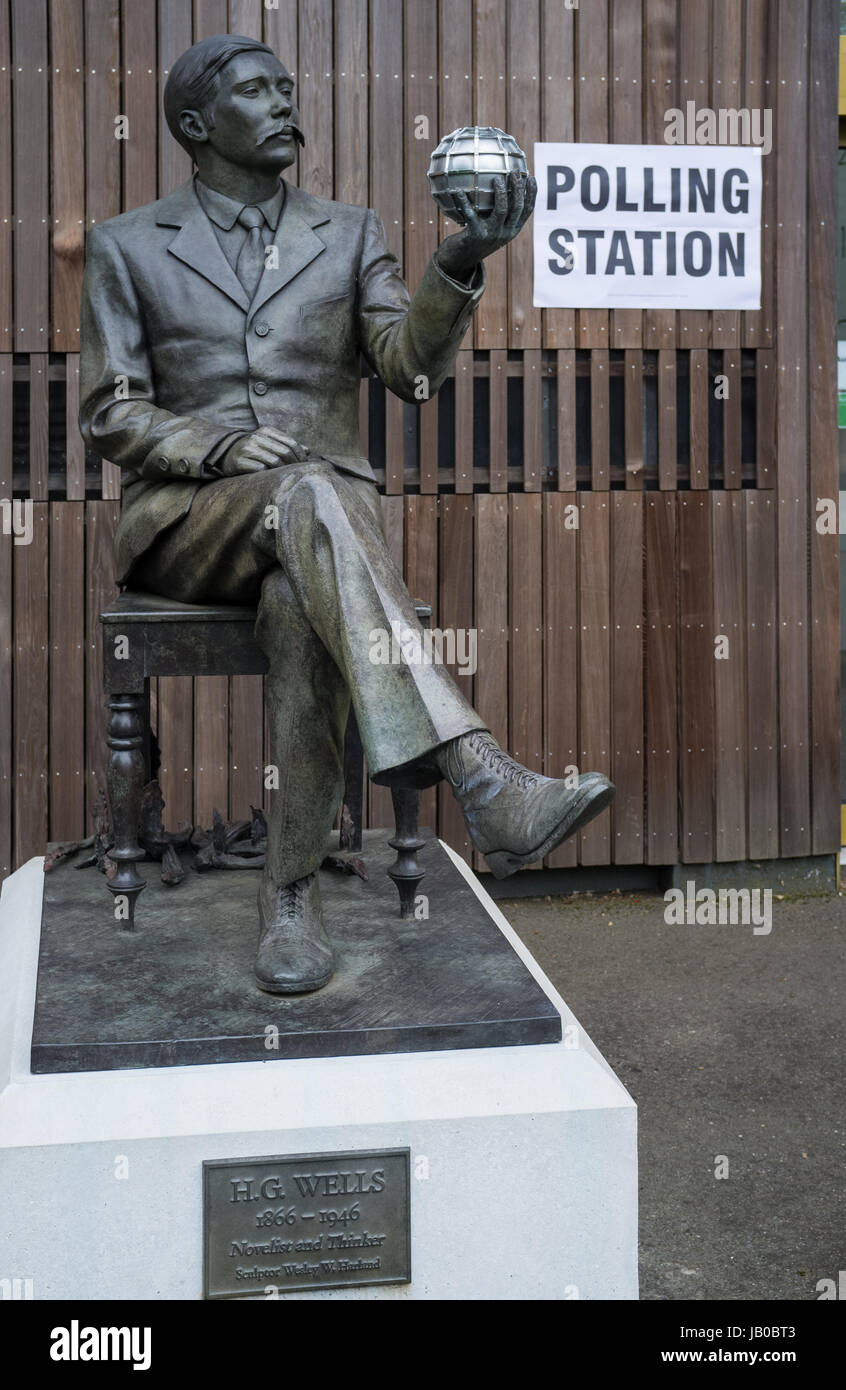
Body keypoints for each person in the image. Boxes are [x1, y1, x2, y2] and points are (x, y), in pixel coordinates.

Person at [79, 34, 614, 995]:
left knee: (301, 598)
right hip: (188, 525)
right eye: (256, 92)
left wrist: (457, 262)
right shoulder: (126, 246)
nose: (285, 103)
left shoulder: (352, 232)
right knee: (311, 494)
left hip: (317, 537)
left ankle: (290, 898)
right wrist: (217, 445)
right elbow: (109, 410)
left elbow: (407, 370)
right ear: (196, 126)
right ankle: (482, 776)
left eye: (288, 88)